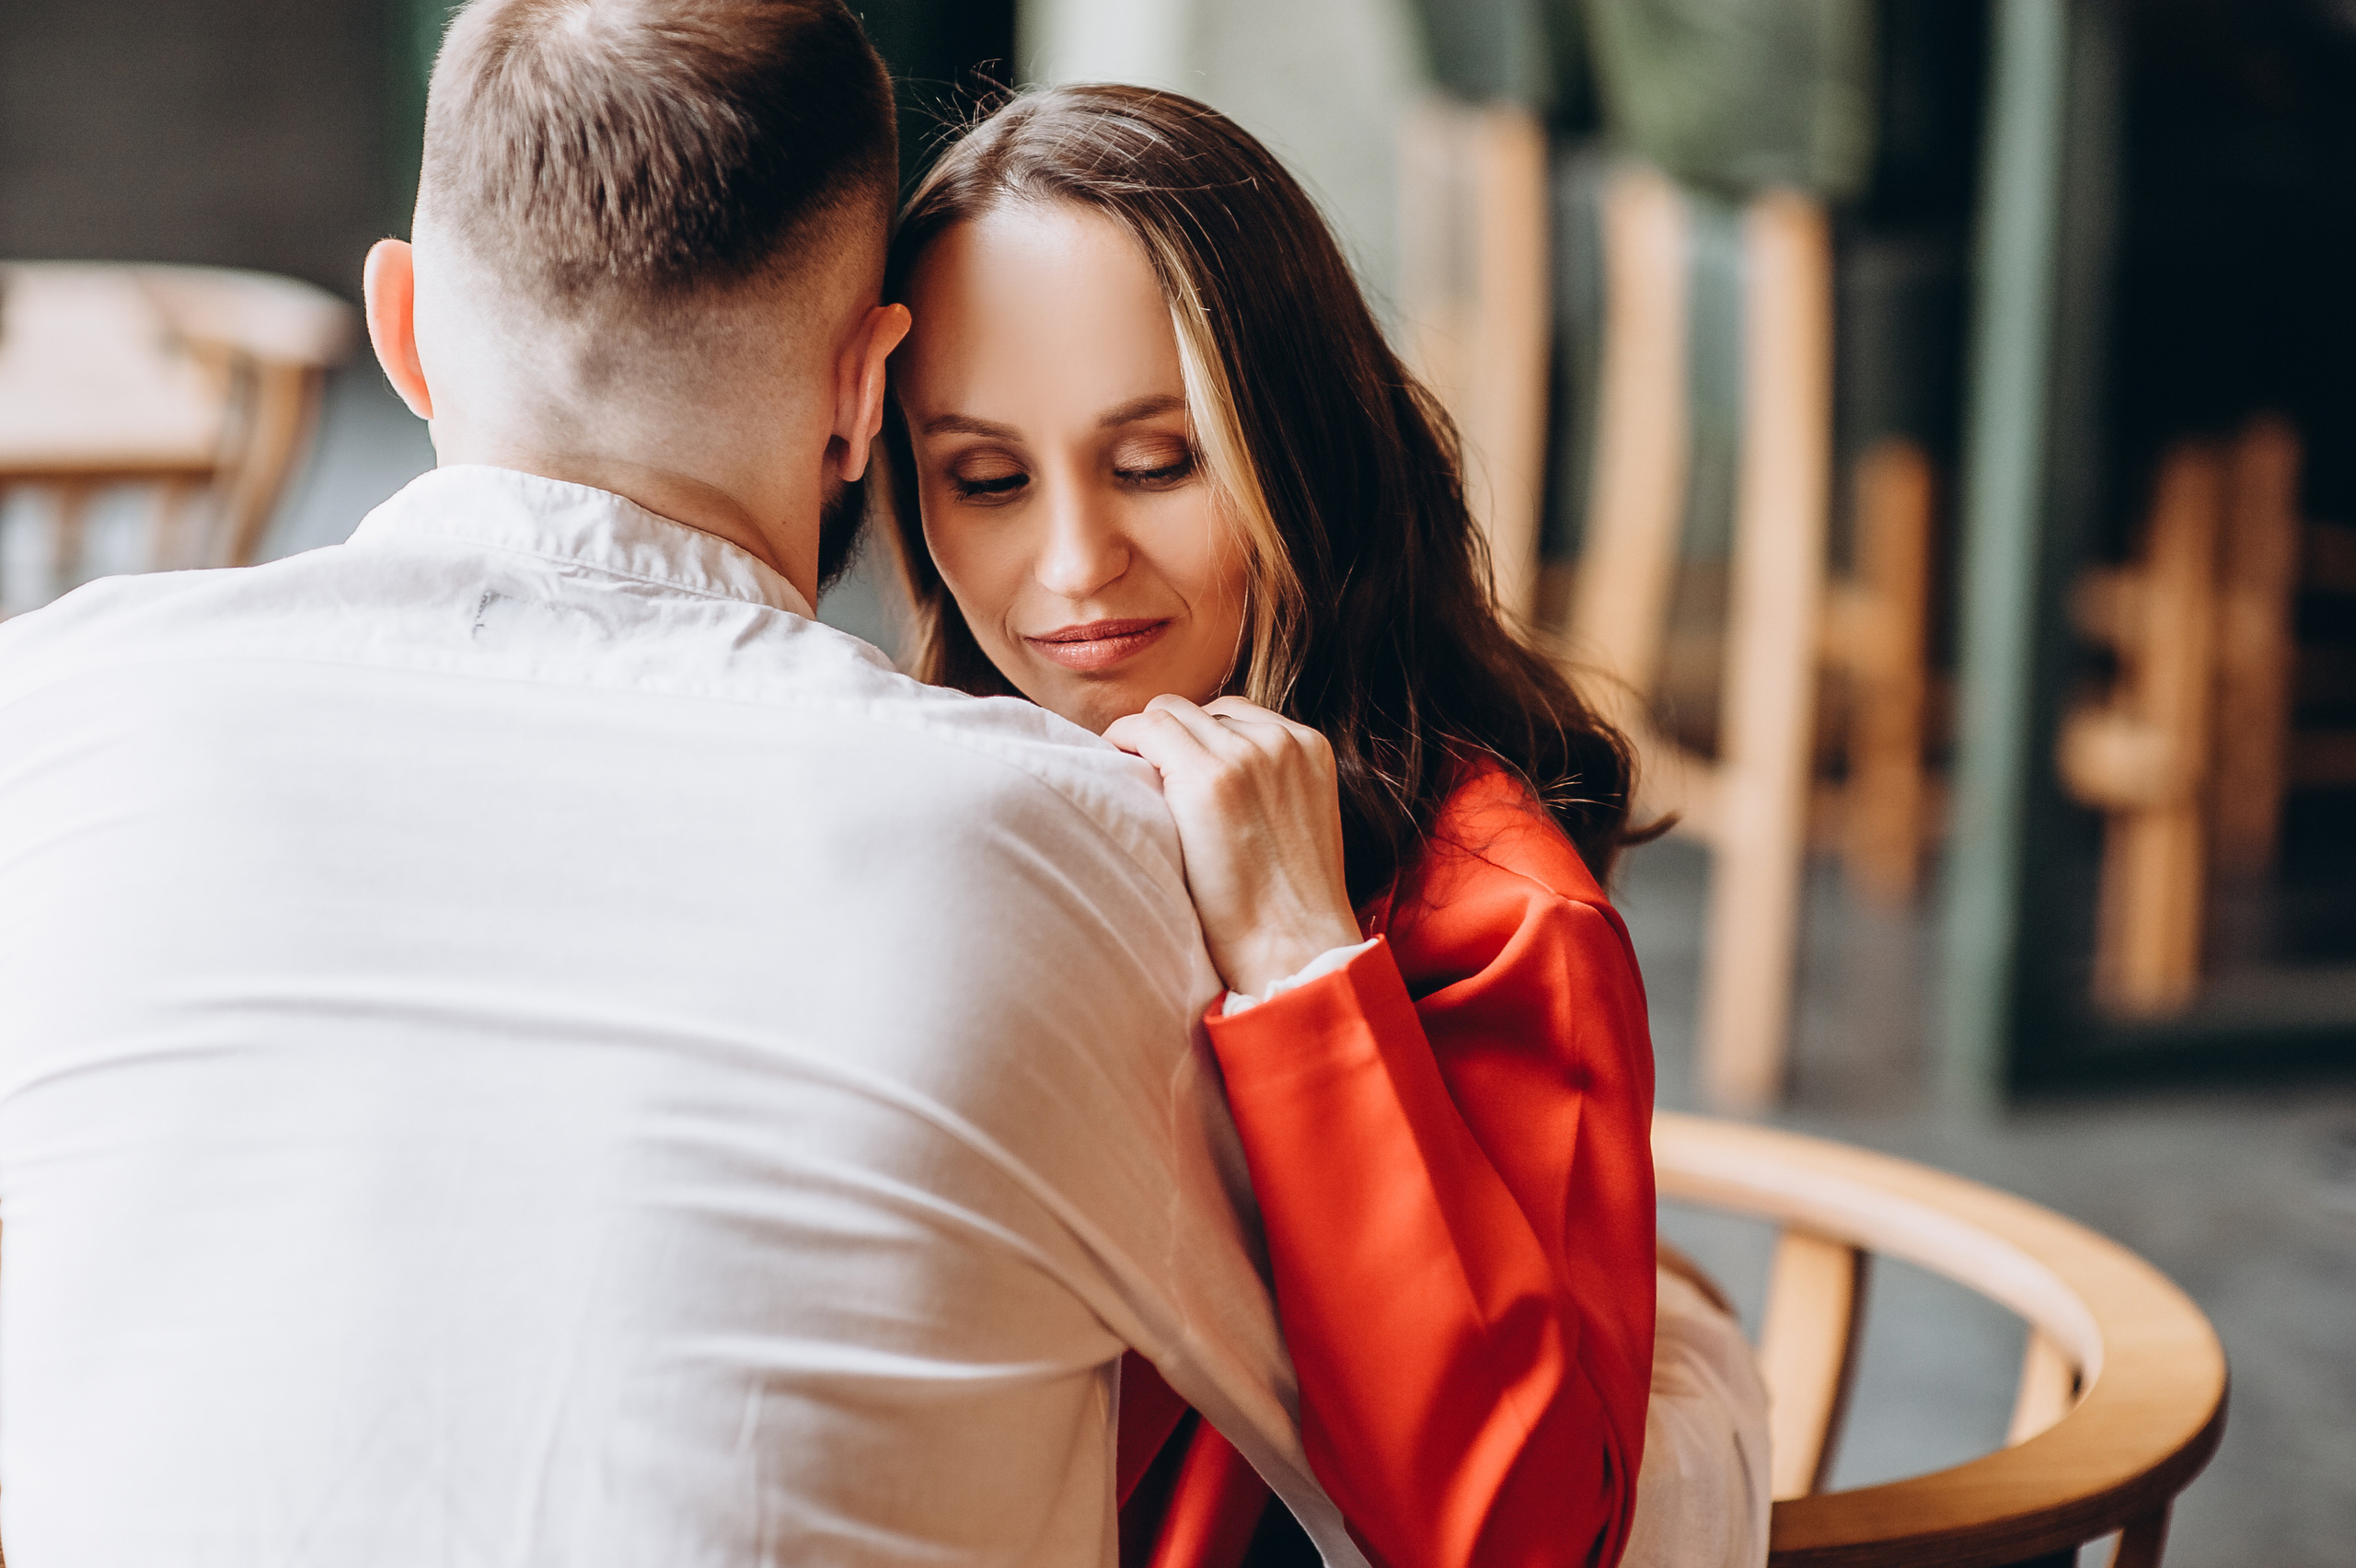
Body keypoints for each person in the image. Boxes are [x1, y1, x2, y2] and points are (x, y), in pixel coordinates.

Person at [0, 12, 1367, 1565]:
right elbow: (1403, 1461)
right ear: (867, 391)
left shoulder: (37, 725)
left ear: (404, 327)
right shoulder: (1066, 847)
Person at [875, 85, 1771, 1568]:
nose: (1075, 563)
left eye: (1159, 460)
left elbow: (1521, 1538)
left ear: (1297, 447)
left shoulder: (1488, 912)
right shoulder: (900, 803)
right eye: (986, 479)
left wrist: (1302, 966)